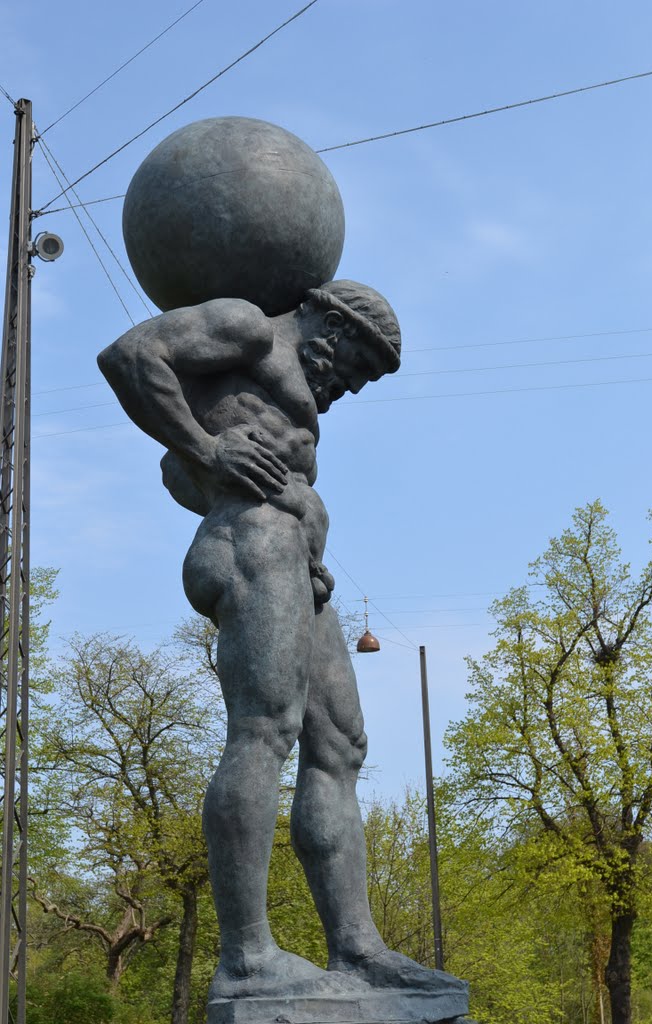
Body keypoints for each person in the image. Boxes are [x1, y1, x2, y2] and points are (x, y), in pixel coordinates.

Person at [98, 280, 456, 1001]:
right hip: (249, 540)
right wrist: (204, 446)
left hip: (295, 560)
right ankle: (248, 956)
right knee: (264, 729)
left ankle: (356, 949)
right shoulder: (246, 327)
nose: (349, 386)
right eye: (356, 364)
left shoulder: (288, 383)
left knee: (340, 746)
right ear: (330, 321)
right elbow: (131, 355)